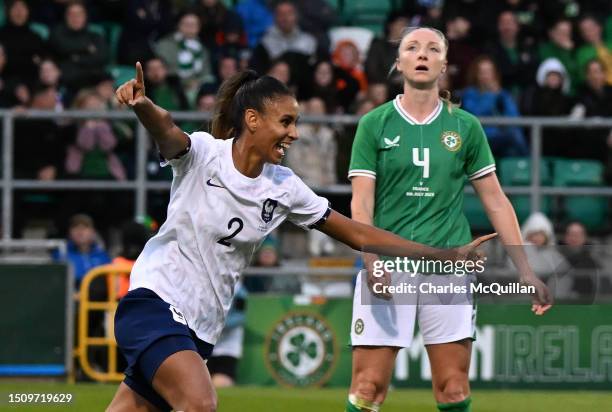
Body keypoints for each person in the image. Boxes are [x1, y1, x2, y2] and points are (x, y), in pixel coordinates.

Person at [109, 62, 495, 411]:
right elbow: (166, 129)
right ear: (253, 119)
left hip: (202, 327)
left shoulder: (284, 187)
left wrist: (441, 255)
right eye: (286, 122)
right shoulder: (205, 154)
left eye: (296, 123)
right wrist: (142, 104)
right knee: (200, 404)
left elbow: (357, 232)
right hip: (155, 302)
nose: (293, 133)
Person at [345, 27, 552, 412]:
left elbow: (496, 201)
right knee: (368, 386)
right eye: (412, 47)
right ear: (399, 62)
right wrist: (371, 262)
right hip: (389, 266)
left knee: (453, 388)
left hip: (448, 269)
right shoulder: (374, 123)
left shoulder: (465, 126)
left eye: (432, 48)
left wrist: (526, 268)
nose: (422, 54)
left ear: (444, 64)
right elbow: (362, 203)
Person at [460, 55, 528, 157]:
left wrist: (499, 95)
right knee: (514, 137)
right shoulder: (469, 94)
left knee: (512, 148)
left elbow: (515, 118)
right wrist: (491, 94)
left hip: (501, 136)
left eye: (489, 72)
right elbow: (476, 113)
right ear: (476, 74)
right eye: (482, 72)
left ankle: (530, 165)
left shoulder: (502, 94)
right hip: (480, 136)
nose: (486, 76)